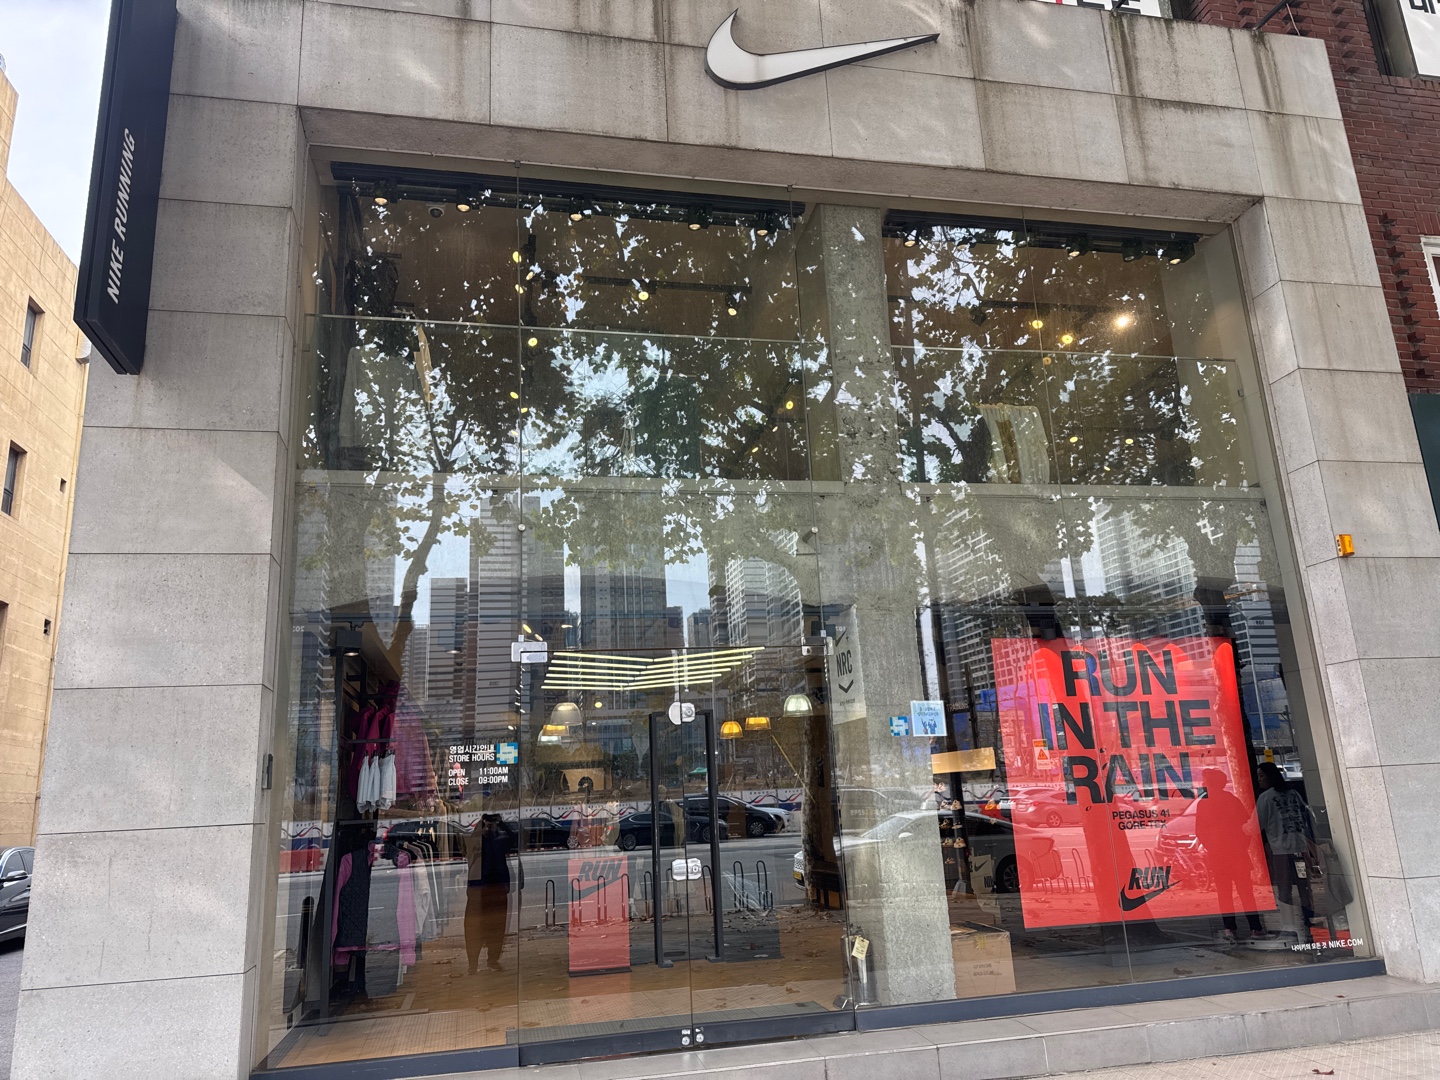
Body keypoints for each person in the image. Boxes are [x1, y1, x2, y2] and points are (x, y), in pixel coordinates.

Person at [1194, 767, 1269, 943]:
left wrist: (1212, 847)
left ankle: (1230, 928)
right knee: (1246, 893)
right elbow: (1246, 826)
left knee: (1224, 893)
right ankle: (1255, 928)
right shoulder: (1233, 801)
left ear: (1210, 784)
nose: (1202, 784)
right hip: (1238, 855)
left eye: (1205, 781)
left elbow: (1200, 831)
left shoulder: (1203, 804)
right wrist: (1242, 847)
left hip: (1219, 856)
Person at [1254, 761, 1316, 942]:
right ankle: (1309, 924)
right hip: (1300, 847)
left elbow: (1255, 825)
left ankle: (1289, 926)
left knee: (1284, 888)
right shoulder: (1293, 794)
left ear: (1270, 776)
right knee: (1304, 888)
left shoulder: (1266, 798)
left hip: (1280, 849)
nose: (1259, 780)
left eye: (1261, 776)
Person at [464, 813, 515, 974]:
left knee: (497, 927)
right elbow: (469, 843)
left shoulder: (500, 840)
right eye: (487, 824)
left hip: (497, 888)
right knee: (474, 927)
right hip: (478, 889)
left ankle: (493, 960)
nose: (489, 826)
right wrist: (481, 823)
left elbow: (514, 839)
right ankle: (473, 963)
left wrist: (501, 823)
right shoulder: (477, 841)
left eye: (492, 824)